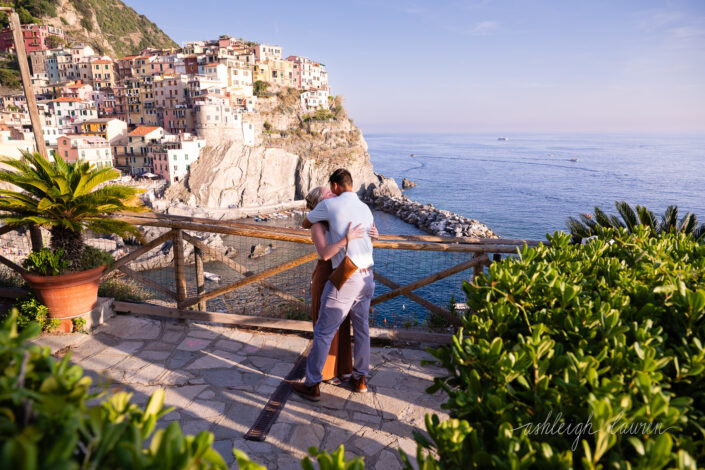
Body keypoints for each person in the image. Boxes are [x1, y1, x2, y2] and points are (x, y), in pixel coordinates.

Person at [292, 169, 376, 401]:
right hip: (369, 274)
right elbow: (366, 233)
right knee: (361, 329)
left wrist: (345, 239)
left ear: (336, 186)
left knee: (323, 331)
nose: (331, 194)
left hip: (348, 273)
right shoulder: (364, 208)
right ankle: (360, 379)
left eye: (331, 189)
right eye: (326, 194)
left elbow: (305, 222)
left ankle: (312, 384)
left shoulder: (330, 208)